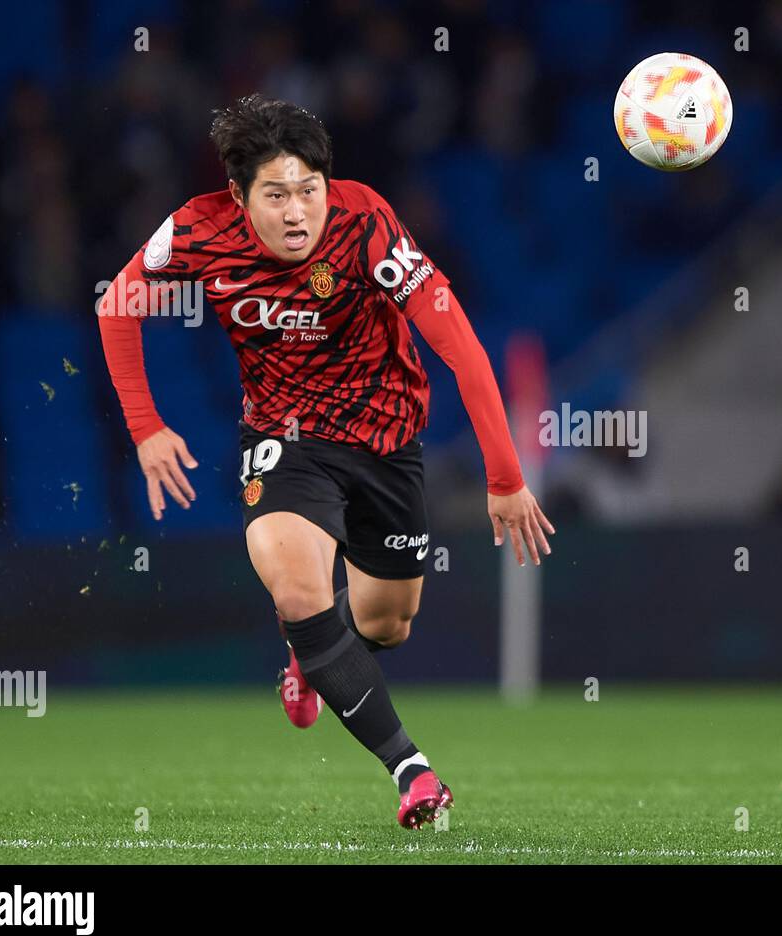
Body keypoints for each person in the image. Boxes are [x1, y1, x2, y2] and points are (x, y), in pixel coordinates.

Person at [98, 94, 554, 826]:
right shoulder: (194, 228)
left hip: (385, 437)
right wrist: (146, 426)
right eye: (274, 195)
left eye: (307, 190)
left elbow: (462, 348)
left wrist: (505, 477)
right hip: (284, 437)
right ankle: (412, 770)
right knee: (294, 584)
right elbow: (117, 303)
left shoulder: (366, 221)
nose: (295, 211)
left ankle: (308, 656)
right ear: (239, 195)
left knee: (386, 622)